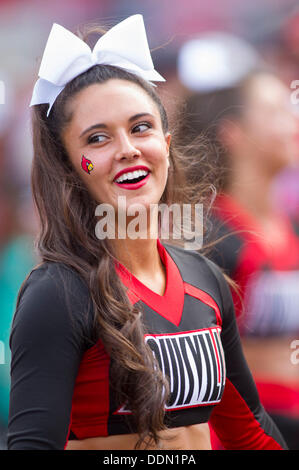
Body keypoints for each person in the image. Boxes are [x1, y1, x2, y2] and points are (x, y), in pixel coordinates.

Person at [7, 15, 287, 451]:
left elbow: (250, 434)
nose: (127, 149)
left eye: (141, 128)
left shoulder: (204, 278)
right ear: (67, 165)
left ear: (167, 143)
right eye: (97, 139)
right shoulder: (58, 294)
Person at [177, 38, 299, 449]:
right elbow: (201, 356)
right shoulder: (207, 235)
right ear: (234, 133)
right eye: (276, 112)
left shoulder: (293, 225)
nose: (293, 122)